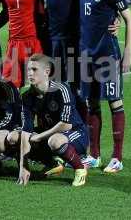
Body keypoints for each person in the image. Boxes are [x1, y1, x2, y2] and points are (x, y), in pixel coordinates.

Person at [41, 0, 120, 124]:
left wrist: (115, 17)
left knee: (77, 91)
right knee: (57, 88)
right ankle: (63, 133)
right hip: (54, 40)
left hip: (74, 41)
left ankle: (81, 134)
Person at [76, 0, 131, 173]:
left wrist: (127, 53)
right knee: (91, 104)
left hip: (107, 55)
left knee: (114, 101)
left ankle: (117, 157)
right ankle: (95, 155)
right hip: (85, 56)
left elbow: (129, 19)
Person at [18, 54, 89, 187]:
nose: (29, 73)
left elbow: (66, 125)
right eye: (28, 69)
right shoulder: (27, 96)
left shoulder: (61, 89)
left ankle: (80, 168)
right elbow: (26, 130)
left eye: (34, 69)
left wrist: (39, 137)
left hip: (76, 133)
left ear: (47, 72)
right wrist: (24, 165)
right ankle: (53, 163)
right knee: (15, 137)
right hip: (50, 134)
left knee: (54, 141)